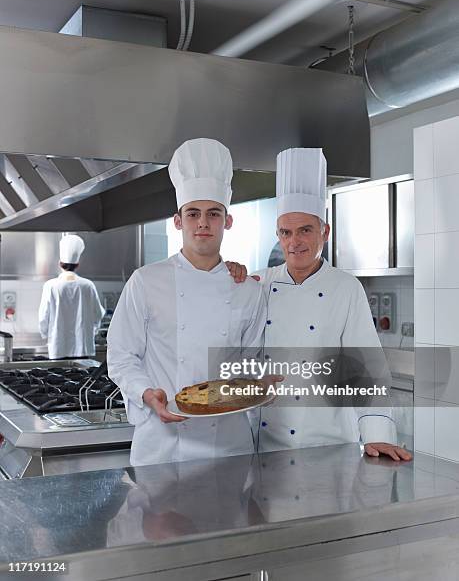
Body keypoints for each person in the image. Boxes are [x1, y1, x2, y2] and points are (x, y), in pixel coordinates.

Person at [228, 148, 411, 462]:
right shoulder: (258, 284)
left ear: (324, 232)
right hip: (266, 450)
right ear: (278, 235)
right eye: (286, 233)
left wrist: (378, 436)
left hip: (330, 450)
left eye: (304, 231)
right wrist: (225, 278)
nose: (294, 242)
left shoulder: (345, 288)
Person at [107, 138, 267, 467]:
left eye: (213, 213)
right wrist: (145, 392)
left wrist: (260, 380)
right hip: (162, 447)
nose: (203, 223)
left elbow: (251, 364)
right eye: (193, 214)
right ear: (178, 221)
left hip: (228, 449)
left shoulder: (248, 290)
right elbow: (122, 357)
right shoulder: (145, 281)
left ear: (228, 220)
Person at [38, 234, 105, 359]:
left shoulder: (51, 286)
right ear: (78, 264)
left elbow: (43, 317)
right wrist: (92, 331)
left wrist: (46, 334)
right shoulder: (88, 285)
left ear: (60, 263)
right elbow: (98, 314)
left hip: (58, 349)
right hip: (83, 350)